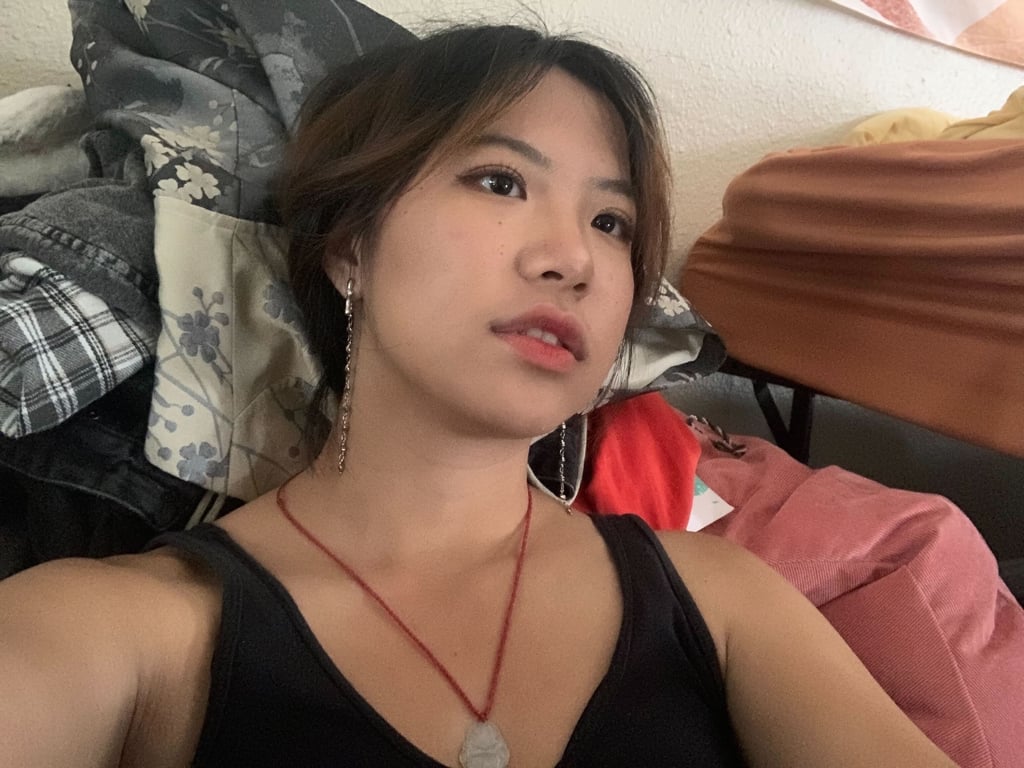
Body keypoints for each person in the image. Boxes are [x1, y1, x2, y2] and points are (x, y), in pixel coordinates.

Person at [0, 24, 956, 767]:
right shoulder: (131, 637)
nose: (574, 257)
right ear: (350, 246)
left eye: (613, 222)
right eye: (500, 182)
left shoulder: (724, 604)